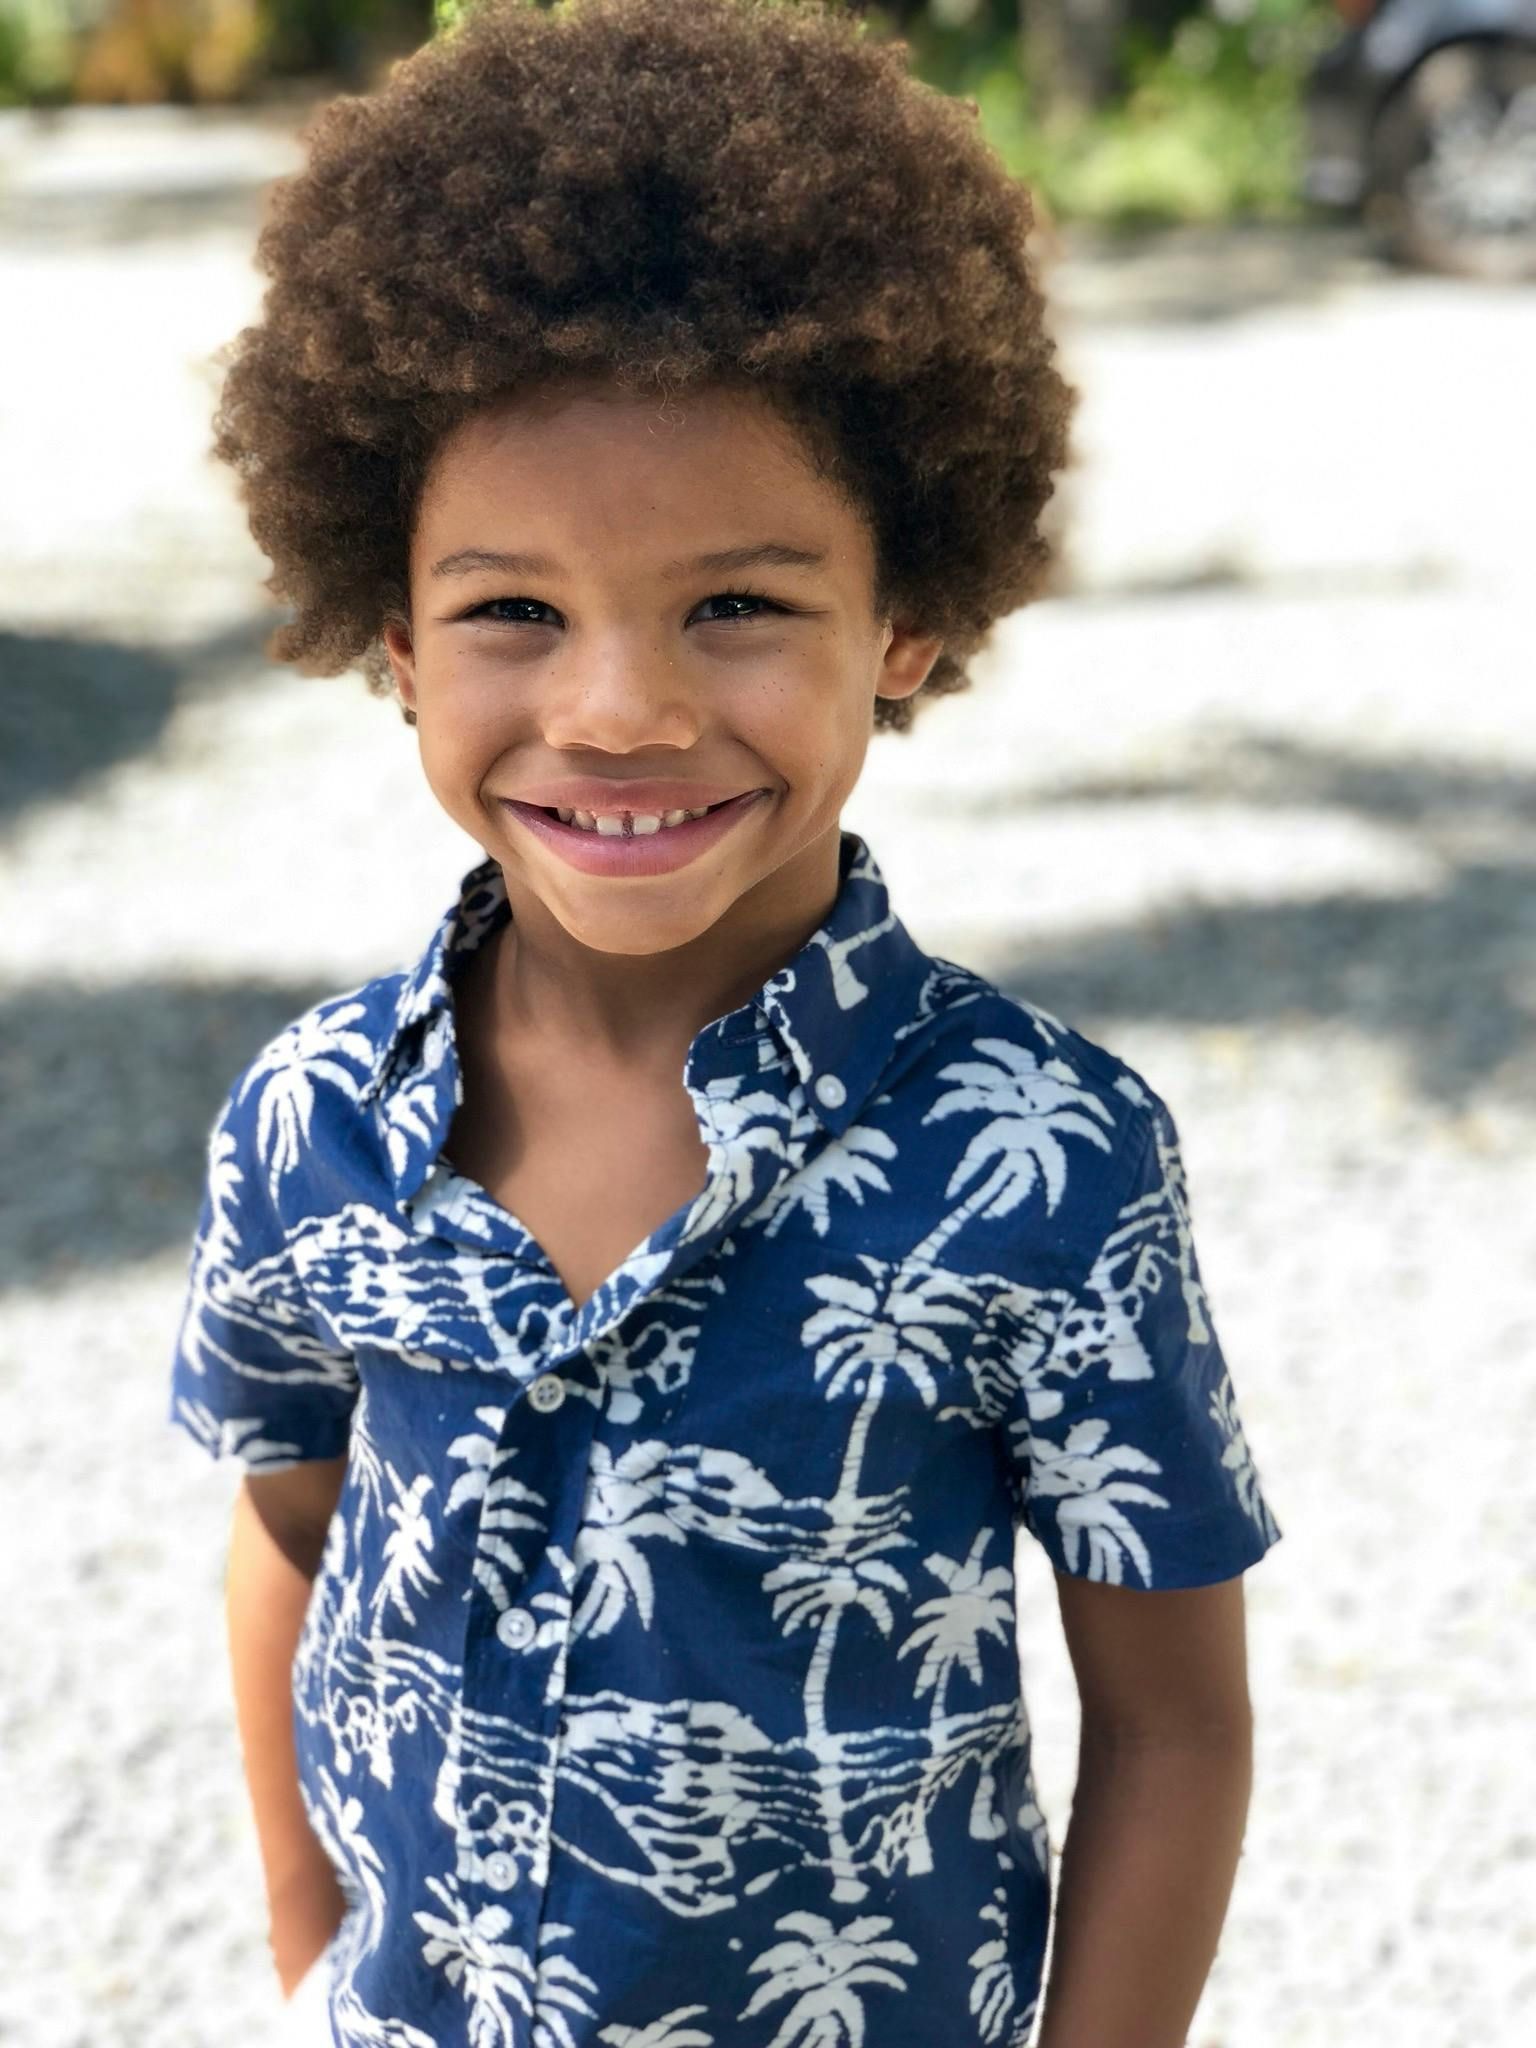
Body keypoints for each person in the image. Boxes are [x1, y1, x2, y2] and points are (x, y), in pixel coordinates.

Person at [167, 2, 1284, 2044]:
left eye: (739, 606)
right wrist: (302, 1934)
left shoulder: (1042, 1157)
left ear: (909, 623)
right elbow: (287, 1520)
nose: (620, 710)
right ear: (397, 646)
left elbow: (1174, 1721)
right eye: (516, 610)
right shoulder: (309, 1118)